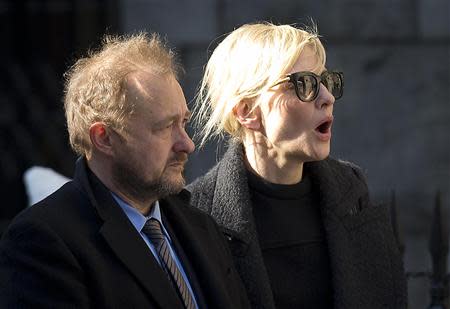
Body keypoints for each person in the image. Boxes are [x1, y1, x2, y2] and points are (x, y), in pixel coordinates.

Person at [0, 32, 249, 309]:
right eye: (165, 127)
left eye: (184, 122)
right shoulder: (44, 241)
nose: (187, 144)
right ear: (104, 138)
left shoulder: (199, 225)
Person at [188, 22, 407, 308]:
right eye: (304, 84)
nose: (327, 98)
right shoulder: (198, 214)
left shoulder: (351, 191)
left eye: (326, 82)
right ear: (247, 112)